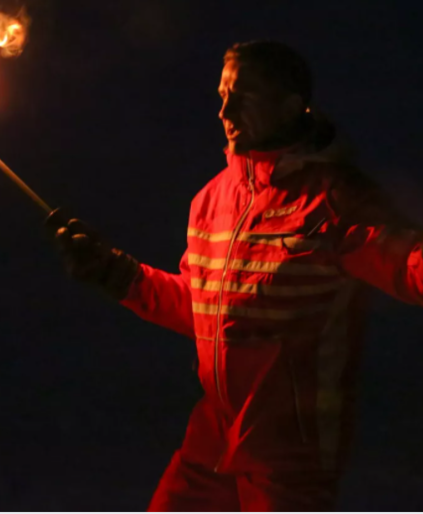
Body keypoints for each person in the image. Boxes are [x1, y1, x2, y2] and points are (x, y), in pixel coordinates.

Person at [48, 41, 423, 511]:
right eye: (222, 95)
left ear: (290, 106)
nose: (225, 110)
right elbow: (203, 311)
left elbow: (409, 265)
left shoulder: (333, 200)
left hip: (291, 448)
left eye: (243, 97)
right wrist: (117, 275)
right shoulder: (211, 200)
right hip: (213, 436)